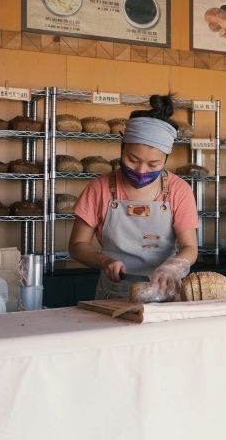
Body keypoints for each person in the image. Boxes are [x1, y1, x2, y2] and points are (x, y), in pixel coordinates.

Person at [69, 95, 199, 300]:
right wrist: (104, 261)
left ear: (166, 157)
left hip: (165, 292)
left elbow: (189, 247)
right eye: (133, 159)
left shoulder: (179, 190)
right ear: (122, 147)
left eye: (153, 164)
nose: (141, 170)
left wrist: (173, 268)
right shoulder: (99, 188)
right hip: (114, 293)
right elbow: (77, 245)